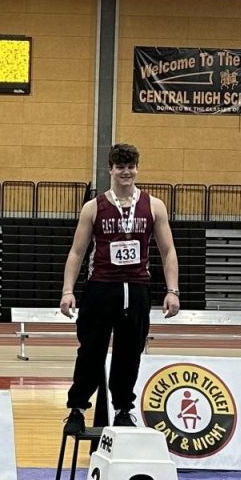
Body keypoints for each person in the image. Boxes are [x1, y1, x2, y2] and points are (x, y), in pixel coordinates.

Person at [59, 143, 180, 434]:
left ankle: (123, 409)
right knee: (91, 350)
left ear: (137, 168)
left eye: (131, 166)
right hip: (102, 287)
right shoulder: (94, 207)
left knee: (130, 352)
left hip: (137, 288)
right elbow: (77, 252)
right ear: (111, 169)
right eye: (120, 167)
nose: (126, 172)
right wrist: (67, 290)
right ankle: (77, 409)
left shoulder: (154, 205)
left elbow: (168, 251)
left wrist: (172, 290)